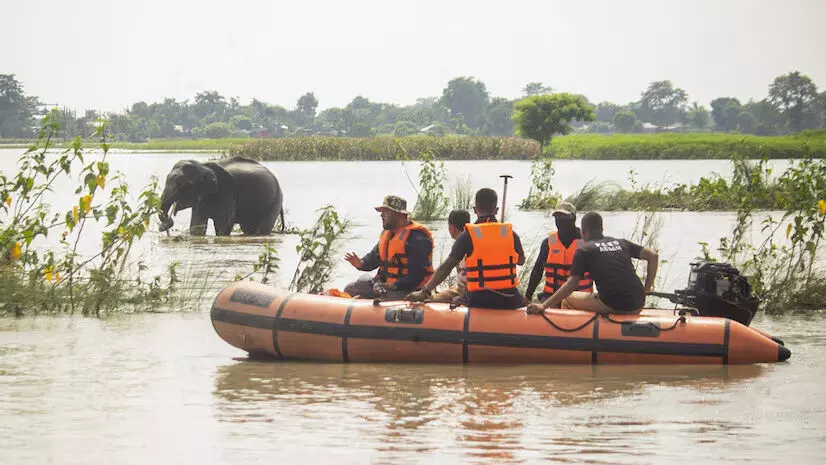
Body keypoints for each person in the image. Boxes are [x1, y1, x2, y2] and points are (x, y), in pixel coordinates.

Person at [407, 188, 526, 309]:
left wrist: (425, 291)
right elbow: (521, 261)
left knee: (454, 300)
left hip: (479, 298)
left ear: (475, 210)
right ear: (496, 210)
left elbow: (446, 267)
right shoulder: (510, 234)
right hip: (510, 297)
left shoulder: (467, 235)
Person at [527, 212, 658, 315]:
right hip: (638, 303)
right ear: (602, 228)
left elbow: (572, 283)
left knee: (568, 299)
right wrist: (647, 288)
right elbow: (653, 255)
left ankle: (576, 340)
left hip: (614, 304)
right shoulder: (622, 242)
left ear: (584, 232)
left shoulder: (585, 249)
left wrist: (544, 305)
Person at [343, 195, 434, 299]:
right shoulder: (388, 235)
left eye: (385, 212)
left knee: (383, 298)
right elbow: (373, 258)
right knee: (350, 289)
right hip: (384, 285)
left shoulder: (417, 238)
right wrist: (360, 263)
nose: (381, 215)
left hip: (409, 289)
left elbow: (416, 277)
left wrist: (391, 286)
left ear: (398, 214)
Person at [524, 202, 593, 303]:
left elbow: (600, 273)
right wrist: (528, 296)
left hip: (580, 296)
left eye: (564, 217)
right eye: (557, 217)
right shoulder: (548, 242)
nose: (560, 220)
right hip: (552, 296)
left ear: (573, 218)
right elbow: (537, 271)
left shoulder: (587, 242)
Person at [430, 209, 471, 303]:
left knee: (430, 300)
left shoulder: (460, 244)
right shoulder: (474, 239)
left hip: (465, 292)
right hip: (473, 290)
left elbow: (446, 268)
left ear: (452, 227)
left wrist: (426, 289)